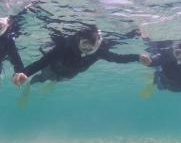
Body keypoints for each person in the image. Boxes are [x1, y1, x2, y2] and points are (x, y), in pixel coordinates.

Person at [12, 24, 141, 107]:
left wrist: (138, 56)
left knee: (61, 78)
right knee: (41, 78)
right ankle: (28, 88)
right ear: (79, 39)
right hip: (52, 70)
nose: (87, 49)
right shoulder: (64, 45)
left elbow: (118, 56)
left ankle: (55, 81)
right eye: (85, 44)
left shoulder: (99, 50)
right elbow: (41, 62)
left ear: (97, 44)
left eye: (92, 45)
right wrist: (25, 73)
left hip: (69, 75)